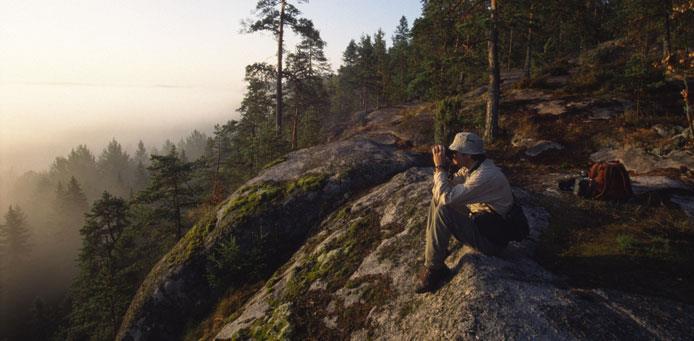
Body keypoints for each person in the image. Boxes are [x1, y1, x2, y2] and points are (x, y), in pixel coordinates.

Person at [415, 132, 514, 293]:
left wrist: (439, 167)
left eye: (455, 152)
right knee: (437, 201)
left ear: (468, 155)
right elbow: (440, 191)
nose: (451, 155)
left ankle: (434, 268)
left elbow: (446, 198)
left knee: (444, 208)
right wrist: (444, 170)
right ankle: (436, 252)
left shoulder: (484, 175)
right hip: (481, 222)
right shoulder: (472, 167)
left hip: (491, 240)